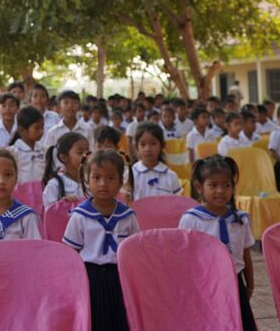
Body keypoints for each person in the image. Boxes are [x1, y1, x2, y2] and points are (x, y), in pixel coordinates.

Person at [62, 150, 139, 331]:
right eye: (96, 177)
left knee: (120, 320)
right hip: (90, 277)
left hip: (119, 276)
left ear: (121, 181)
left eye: (110, 178)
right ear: (87, 180)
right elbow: (70, 252)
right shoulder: (79, 216)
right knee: (94, 321)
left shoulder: (128, 216)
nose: (103, 184)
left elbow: (135, 250)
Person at [179, 155, 257, 331]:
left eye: (226, 185)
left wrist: (250, 285)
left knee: (239, 323)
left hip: (235, 283)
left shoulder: (240, 219)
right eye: (213, 185)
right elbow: (186, 260)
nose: (221, 191)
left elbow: (245, 254)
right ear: (199, 187)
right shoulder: (191, 220)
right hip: (205, 284)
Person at [127, 122, 182, 202]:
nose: (148, 149)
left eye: (153, 144)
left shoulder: (171, 176)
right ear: (136, 147)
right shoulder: (130, 174)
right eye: (143, 144)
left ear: (162, 145)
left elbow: (177, 204)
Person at [42, 132, 89, 207]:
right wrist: (62, 205)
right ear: (64, 157)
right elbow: (50, 214)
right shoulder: (54, 185)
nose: (85, 156)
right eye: (80, 152)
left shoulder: (91, 181)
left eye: (87, 152)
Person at [7, 106, 47, 183]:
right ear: (22, 130)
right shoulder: (11, 152)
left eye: (42, 127)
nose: (41, 131)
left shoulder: (45, 151)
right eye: (37, 128)